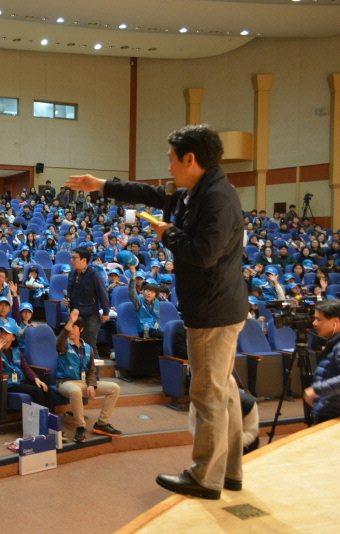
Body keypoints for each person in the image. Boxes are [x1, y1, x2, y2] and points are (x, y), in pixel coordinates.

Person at [68, 124, 247, 500]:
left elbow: (202, 252)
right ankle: (228, 472)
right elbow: (149, 194)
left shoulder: (217, 198)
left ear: (191, 159)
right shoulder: (202, 189)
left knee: (208, 394)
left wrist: (168, 235)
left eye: (171, 158)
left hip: (213, 310)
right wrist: (100, 184)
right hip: (216, 306)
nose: (169, 165)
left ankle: (206, 477)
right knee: (223, 391)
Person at [56, 310, 122, 442]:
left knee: (114, 388)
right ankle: (80, 427)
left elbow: (91, 371)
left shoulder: (88, 348)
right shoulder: (64, 344)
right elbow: (60, 340)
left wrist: (92, 384)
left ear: (81, 329)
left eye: (74, 327)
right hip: (65, 383)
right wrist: (70, 322)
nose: (71, 330)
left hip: (83, 383)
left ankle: (102, 424)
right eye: (70, 326)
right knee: (75, 391)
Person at [62, 247, 111, 368]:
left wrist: (106, 312)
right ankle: (80, 373)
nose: (72, 260)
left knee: (90, 346)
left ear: (84, 260)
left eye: (74, 258)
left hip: (91, 316)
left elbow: (103, 294)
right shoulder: (72, 274)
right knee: (74, 344)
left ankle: (96, 376)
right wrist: (68, 300)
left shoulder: (95, 275)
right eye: (71, 257)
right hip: (75, 315)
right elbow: (70, 291)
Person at [0, 323, 53, 410]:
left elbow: (26, 367)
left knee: (46, 389)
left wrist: (36, 379)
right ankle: (41, 421)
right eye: (1, 332)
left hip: (20, 381)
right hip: (7, 384)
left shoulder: (16, 350)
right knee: (36, 391)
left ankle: (50, 418)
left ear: (13, 337)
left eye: (6, 333)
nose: (2, 334)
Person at [304, 299, 340, 423]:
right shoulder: (334, 343)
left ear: (336, 321)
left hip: (334, 416)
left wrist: (316, 389)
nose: (314, 323)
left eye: (319, 319)